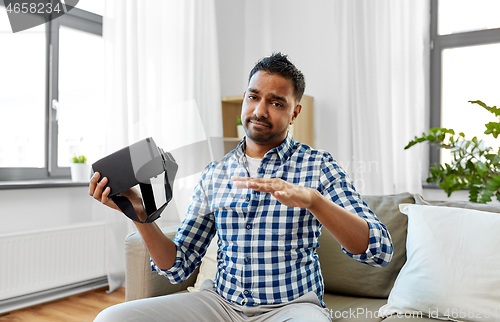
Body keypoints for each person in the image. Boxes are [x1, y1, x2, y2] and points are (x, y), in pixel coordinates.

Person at [90, 52, 393, 322]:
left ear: (294, 113)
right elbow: (178, 266)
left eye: (276, 103)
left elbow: (379, 250)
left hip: (292, 308)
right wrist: (140, 213)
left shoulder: (318, 167)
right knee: (112, 317)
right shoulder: (215, 174)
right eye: (253, 96)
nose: (260, 110)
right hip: (220, 305)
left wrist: (314, 201)